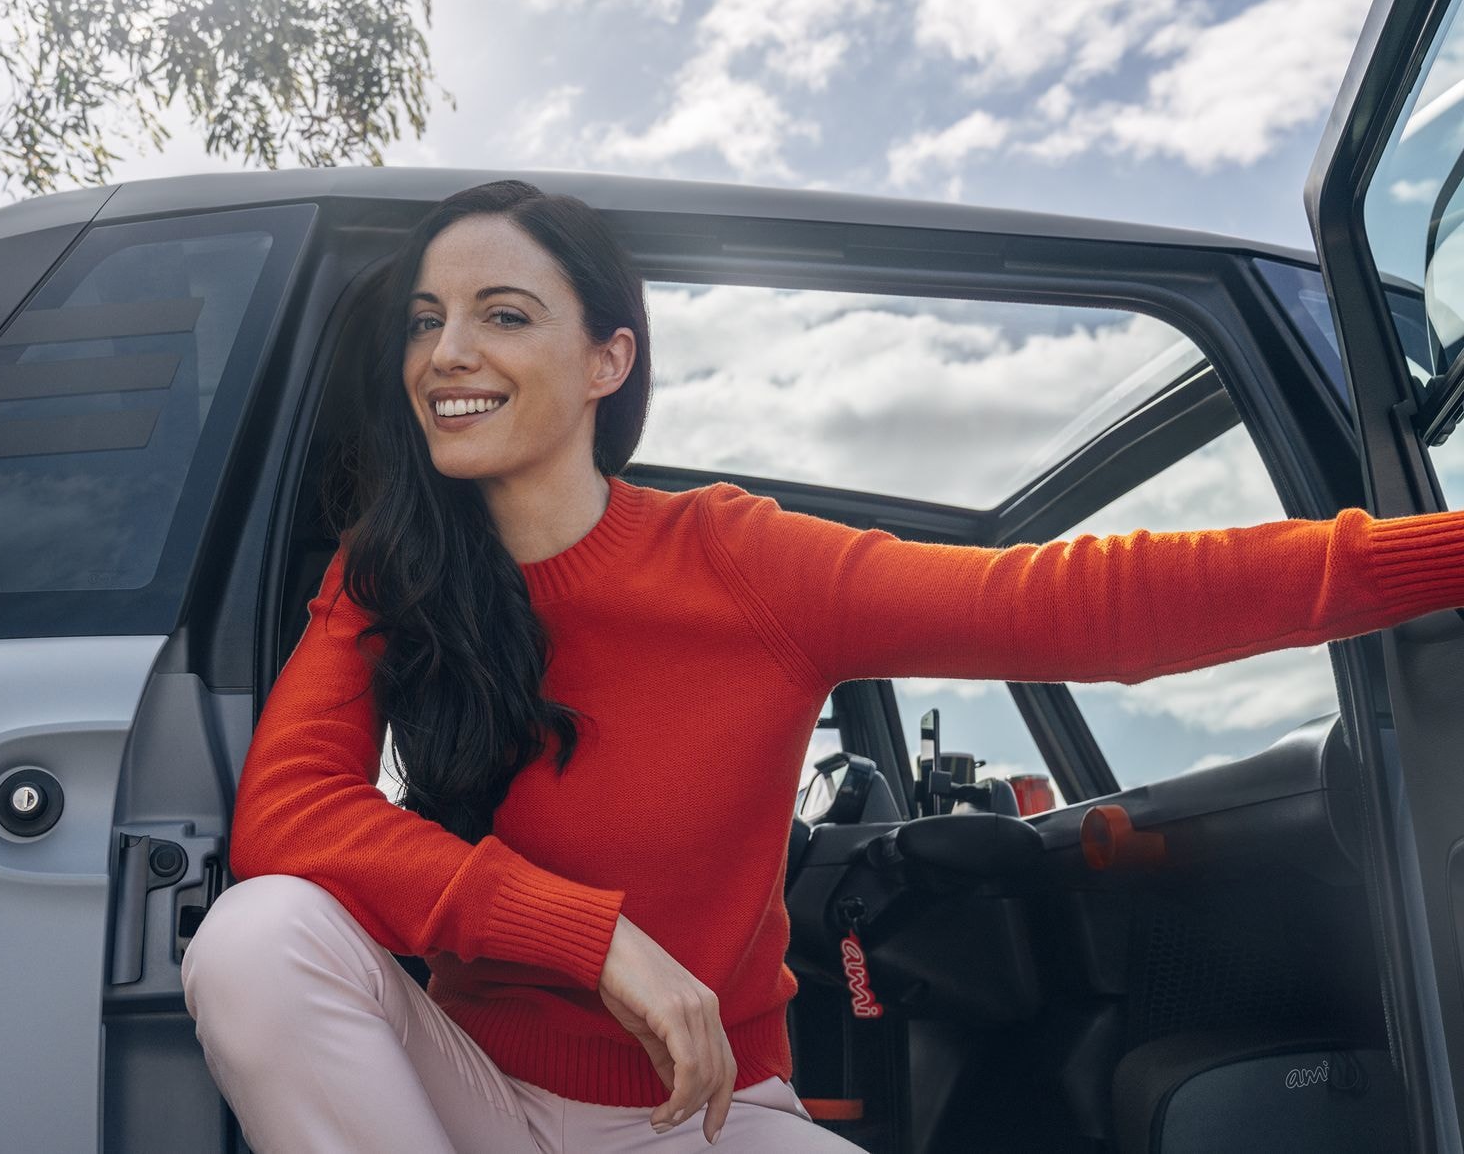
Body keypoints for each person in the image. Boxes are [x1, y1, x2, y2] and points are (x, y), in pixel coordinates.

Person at [180, 179, 1464, 1153]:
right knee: (256, 935)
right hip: (464, 1098)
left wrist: (1441, 555)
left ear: (607, 359)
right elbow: (291, 819)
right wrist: (593, 941)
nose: (445, 353)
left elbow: (1080, 604)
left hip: (705, 1115)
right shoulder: (385, 574)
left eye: (500, 315)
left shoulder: (736, 559)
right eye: (426, 321)